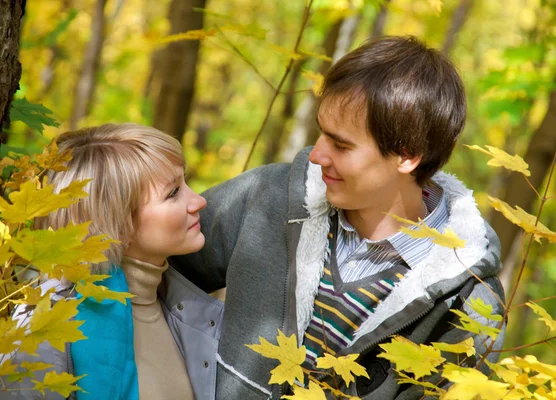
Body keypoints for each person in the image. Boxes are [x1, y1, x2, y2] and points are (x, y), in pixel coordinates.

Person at [170, 36, 506, 399]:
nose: (315, 155)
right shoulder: (267, 196)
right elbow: (145, 274)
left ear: (407, 157)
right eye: (321, 132)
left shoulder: (470, 303)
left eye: (341, 145)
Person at [0, 123, 223, 400]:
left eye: (185, 182)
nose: (198, 201)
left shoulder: (182, 308)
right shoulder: (46, 327)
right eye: (172, 193)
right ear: (118, 224)